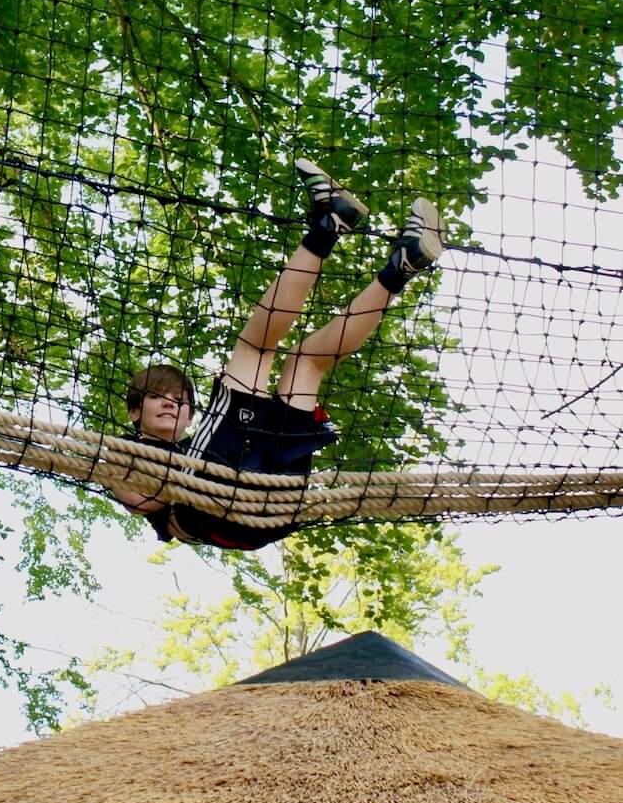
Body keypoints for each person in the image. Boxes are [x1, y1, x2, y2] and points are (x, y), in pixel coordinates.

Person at [118, 159, 445, 549]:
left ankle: (401, 267)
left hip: (277, 497)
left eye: (182, 400)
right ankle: (329, 225)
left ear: (192, 415)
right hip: (217, 509)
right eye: (158, 396)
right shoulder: (121, 453)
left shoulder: (201, 443)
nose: (173, 404)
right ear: (134, 412)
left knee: (307, 363)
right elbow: (138, 499)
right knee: (254, 349)